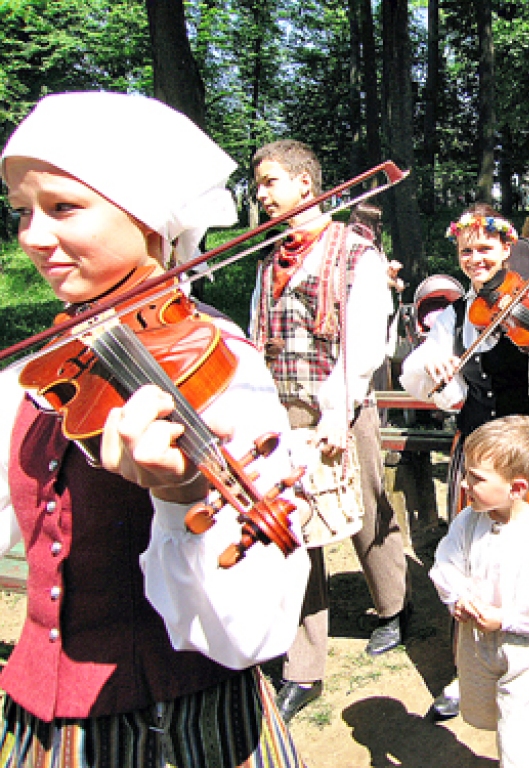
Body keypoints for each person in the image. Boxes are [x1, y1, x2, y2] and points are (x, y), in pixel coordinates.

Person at [0, 91, 309, 766]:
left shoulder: (219, 365)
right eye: (22, 211)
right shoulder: (43, 367)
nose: (31, 236)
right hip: (40, 731)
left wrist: (180, 500)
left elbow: (255, 630)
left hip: (180, 730)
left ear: (149, 222)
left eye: (62, 207)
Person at [401, 203, 529, 717]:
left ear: (506, 249)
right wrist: (437, 366)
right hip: (476, 443)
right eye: (466, 250)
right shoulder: (453, 314)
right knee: (475, 554)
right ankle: (471, 652)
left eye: (485, 249)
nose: (475, 258)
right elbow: (420, 371)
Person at [250, 140, 409, 722]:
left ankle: (393, 605)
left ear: (304, 184)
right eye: (259, 185)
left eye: (270, 182)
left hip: (340, 406)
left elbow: (364, 344)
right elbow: (256, 331)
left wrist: (336, 415)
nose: (261, 194)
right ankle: (303, 666)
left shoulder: (354, 250)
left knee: (365, 510)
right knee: (293, 535)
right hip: (279, 409)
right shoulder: (270, 255)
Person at [429, 415, 529, 768]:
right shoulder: (467, 521)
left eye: (477, 478)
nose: (464, 484)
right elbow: (446, 561)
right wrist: (458, 596)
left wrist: (506, 618)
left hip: (525, 651)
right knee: (485, 712)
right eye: (466, 473)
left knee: (519, 737)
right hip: (476, 643)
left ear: (516, 487)